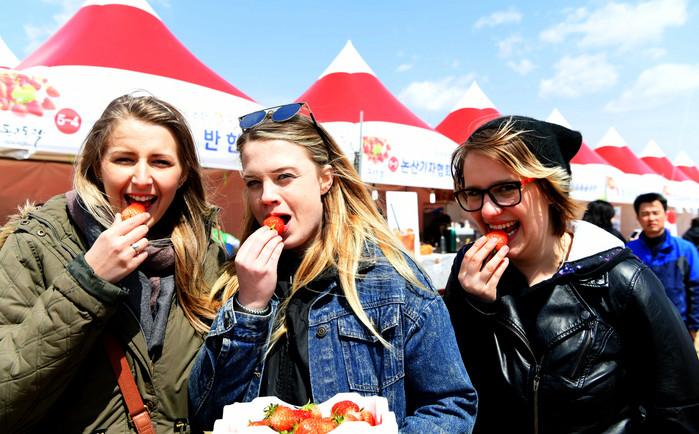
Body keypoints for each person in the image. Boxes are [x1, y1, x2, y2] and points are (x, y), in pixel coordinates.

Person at [188, 103, 478, 433]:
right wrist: (250, 306)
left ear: (325, 179)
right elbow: (204, 413)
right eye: (254, 182)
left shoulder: (391, 279)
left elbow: (450, 404)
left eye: (284, 177)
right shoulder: (234, 279)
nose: (266, 196)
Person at [443, 115, 699, 433]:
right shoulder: (469, 275)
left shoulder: (620, 278)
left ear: (550, 189)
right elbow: (453, 394)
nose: (487, 211)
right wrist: (474, 310)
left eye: (506, 188)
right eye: (473, 193)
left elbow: (680, 411)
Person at [0, 94, 227, 432]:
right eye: (124, 159)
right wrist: (88, 281)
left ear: (182, 175)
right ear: (97, 166)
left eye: (161, 162)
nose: (142, 178)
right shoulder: (36, 245)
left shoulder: (209, 258)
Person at [627, 192, 699, 342]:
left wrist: (693, 327)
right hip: (639, 328)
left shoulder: (685, 249)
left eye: (655, 213)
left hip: (678, 326)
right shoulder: (628, 251)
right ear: (638, 218)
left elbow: (696, 288)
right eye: (645, 214)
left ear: (665, 215)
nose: (651, 218)